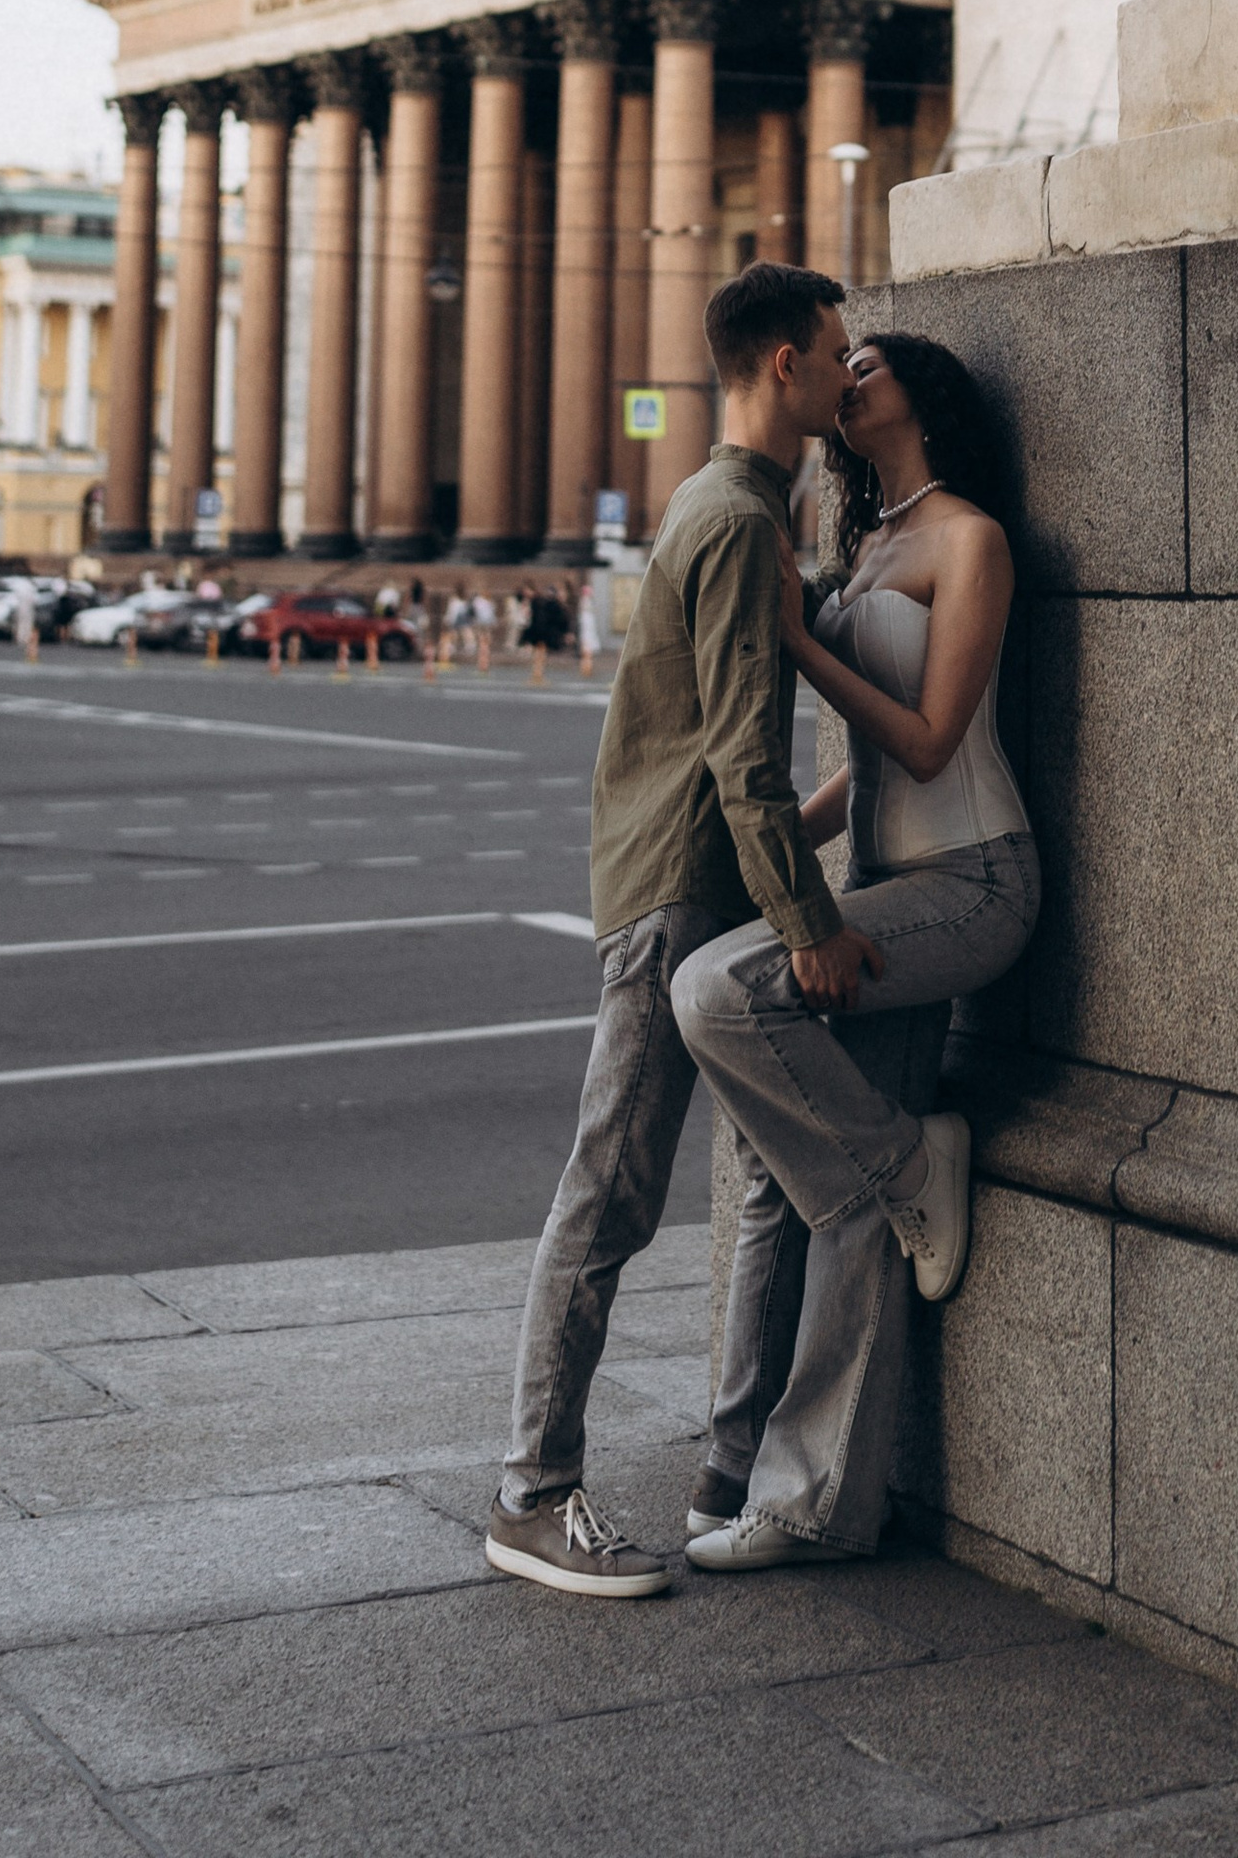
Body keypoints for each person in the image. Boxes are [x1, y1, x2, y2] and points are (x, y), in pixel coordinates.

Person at [486, 261, 854, 1600]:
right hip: (677, 899)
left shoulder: (721, 501)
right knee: (611, 1193)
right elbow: (741, 758)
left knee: (762, 1180)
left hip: (686, 878)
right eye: (832, 352)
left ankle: (728, 1465)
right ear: (779, 369)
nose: (843, 372)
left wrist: (827, 817)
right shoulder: (741, 522)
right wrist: (806, 921)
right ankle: (532, 1496)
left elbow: (728, 763)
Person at [674, 332, 1038, 1570]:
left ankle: (906, 1159)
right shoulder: (870, 541)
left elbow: (932, 744)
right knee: (838, 1199)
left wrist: (800, 641)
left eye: (869, 360)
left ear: (919, 396)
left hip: (972, 882)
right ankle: (809, 1503)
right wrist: (780, 869)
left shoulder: (969, 539)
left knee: (715, 991)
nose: (850, 373)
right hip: (886, 885)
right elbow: (858, 769)